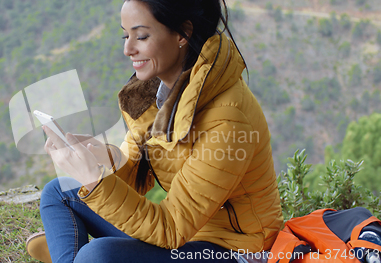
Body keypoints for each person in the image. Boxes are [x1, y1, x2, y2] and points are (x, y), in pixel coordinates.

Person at [26, 0, 284, 262]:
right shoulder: (158, 93)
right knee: (59, 191)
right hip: (187, 236)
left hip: (232, 249)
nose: (127, 49)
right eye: (126, 35)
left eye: (141, 36)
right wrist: (101, 157)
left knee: (97, 255)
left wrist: (94, 180)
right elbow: (134, 171)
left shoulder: (228, 119)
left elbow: (171, 229)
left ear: (183, 33)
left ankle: (75, 252)